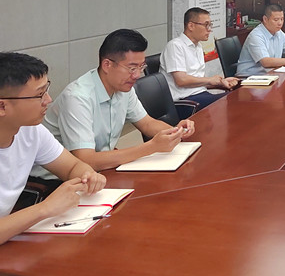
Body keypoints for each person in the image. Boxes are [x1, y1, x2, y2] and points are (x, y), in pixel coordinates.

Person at [0, 53, 107, 263]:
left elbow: (72, 167)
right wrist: (44, 209)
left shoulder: (29, 129)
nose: (48, 100)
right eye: (39, 95)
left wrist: (88, 176)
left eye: (47, 90)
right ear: (1, 107)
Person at [37, 29, 195, 173]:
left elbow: (147, 124)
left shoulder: (124, 88)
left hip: (101, 168)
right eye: (132, 68)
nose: (137, 75)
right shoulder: (78, 98)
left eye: (141, 67)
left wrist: (175, 131)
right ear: (107, 65)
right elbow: (86, 160)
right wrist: (151, 147)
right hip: (56, 180)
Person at [161, 7, 239, 118]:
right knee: (232, 101)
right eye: (206, 25)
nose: (209, 30)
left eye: (210, 25)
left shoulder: (198, 47)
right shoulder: (175, 46)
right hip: (185, 101)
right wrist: (210, 80)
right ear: (191, 26)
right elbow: (181, 80)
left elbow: (198, 81)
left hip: (200, 95)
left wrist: (221, 82)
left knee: (237, 96)